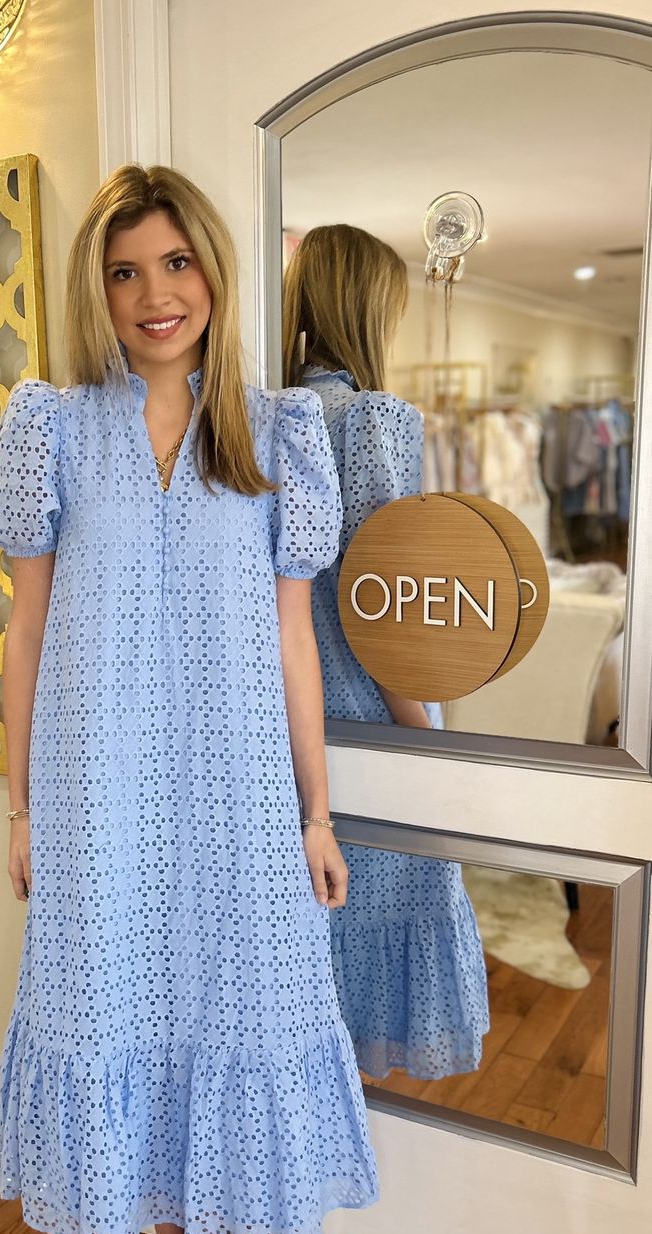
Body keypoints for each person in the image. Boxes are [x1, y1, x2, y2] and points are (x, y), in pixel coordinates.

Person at [0, 167, 378, 1234]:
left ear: (213, 272)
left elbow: (295, 641)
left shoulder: (274, 432)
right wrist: (21, 806)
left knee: (223, 1016)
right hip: (97, 797)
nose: (155, 294)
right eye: (125, 270)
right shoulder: (53, 427)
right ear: (96, 289)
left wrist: (316, 813)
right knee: (126, 1012)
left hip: (240, 798)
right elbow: (27, 631)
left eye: (176, 262)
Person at [282, 223, 489, 1082]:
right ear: (371, 309)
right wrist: (426, 737)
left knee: (316, 930)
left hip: (292, 722)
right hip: (372, 711)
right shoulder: (370, 420)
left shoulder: (267, 413)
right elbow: (384, 604)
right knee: (390, 904)